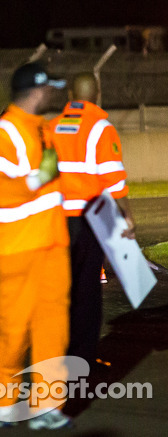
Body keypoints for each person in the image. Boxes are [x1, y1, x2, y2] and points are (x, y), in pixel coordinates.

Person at [0, 62, 72, 429]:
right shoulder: (5, 135)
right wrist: (38, 178)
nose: (55, 93)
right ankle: (3, 402)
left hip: (50, 245)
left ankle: (47, 405)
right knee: (13, 330)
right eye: (51, 87)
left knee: (54, 329)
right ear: (37, 90)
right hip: (16, 249)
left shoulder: (44, 129)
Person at [50, 72, 136, 365]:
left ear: (69, 95)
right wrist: (126, 214)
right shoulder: (101, 128)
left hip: (56, 221)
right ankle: (82, 359)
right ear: (97, 94)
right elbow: (113, 177)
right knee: (87, 291)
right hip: (88, 221)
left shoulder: (53, 126)